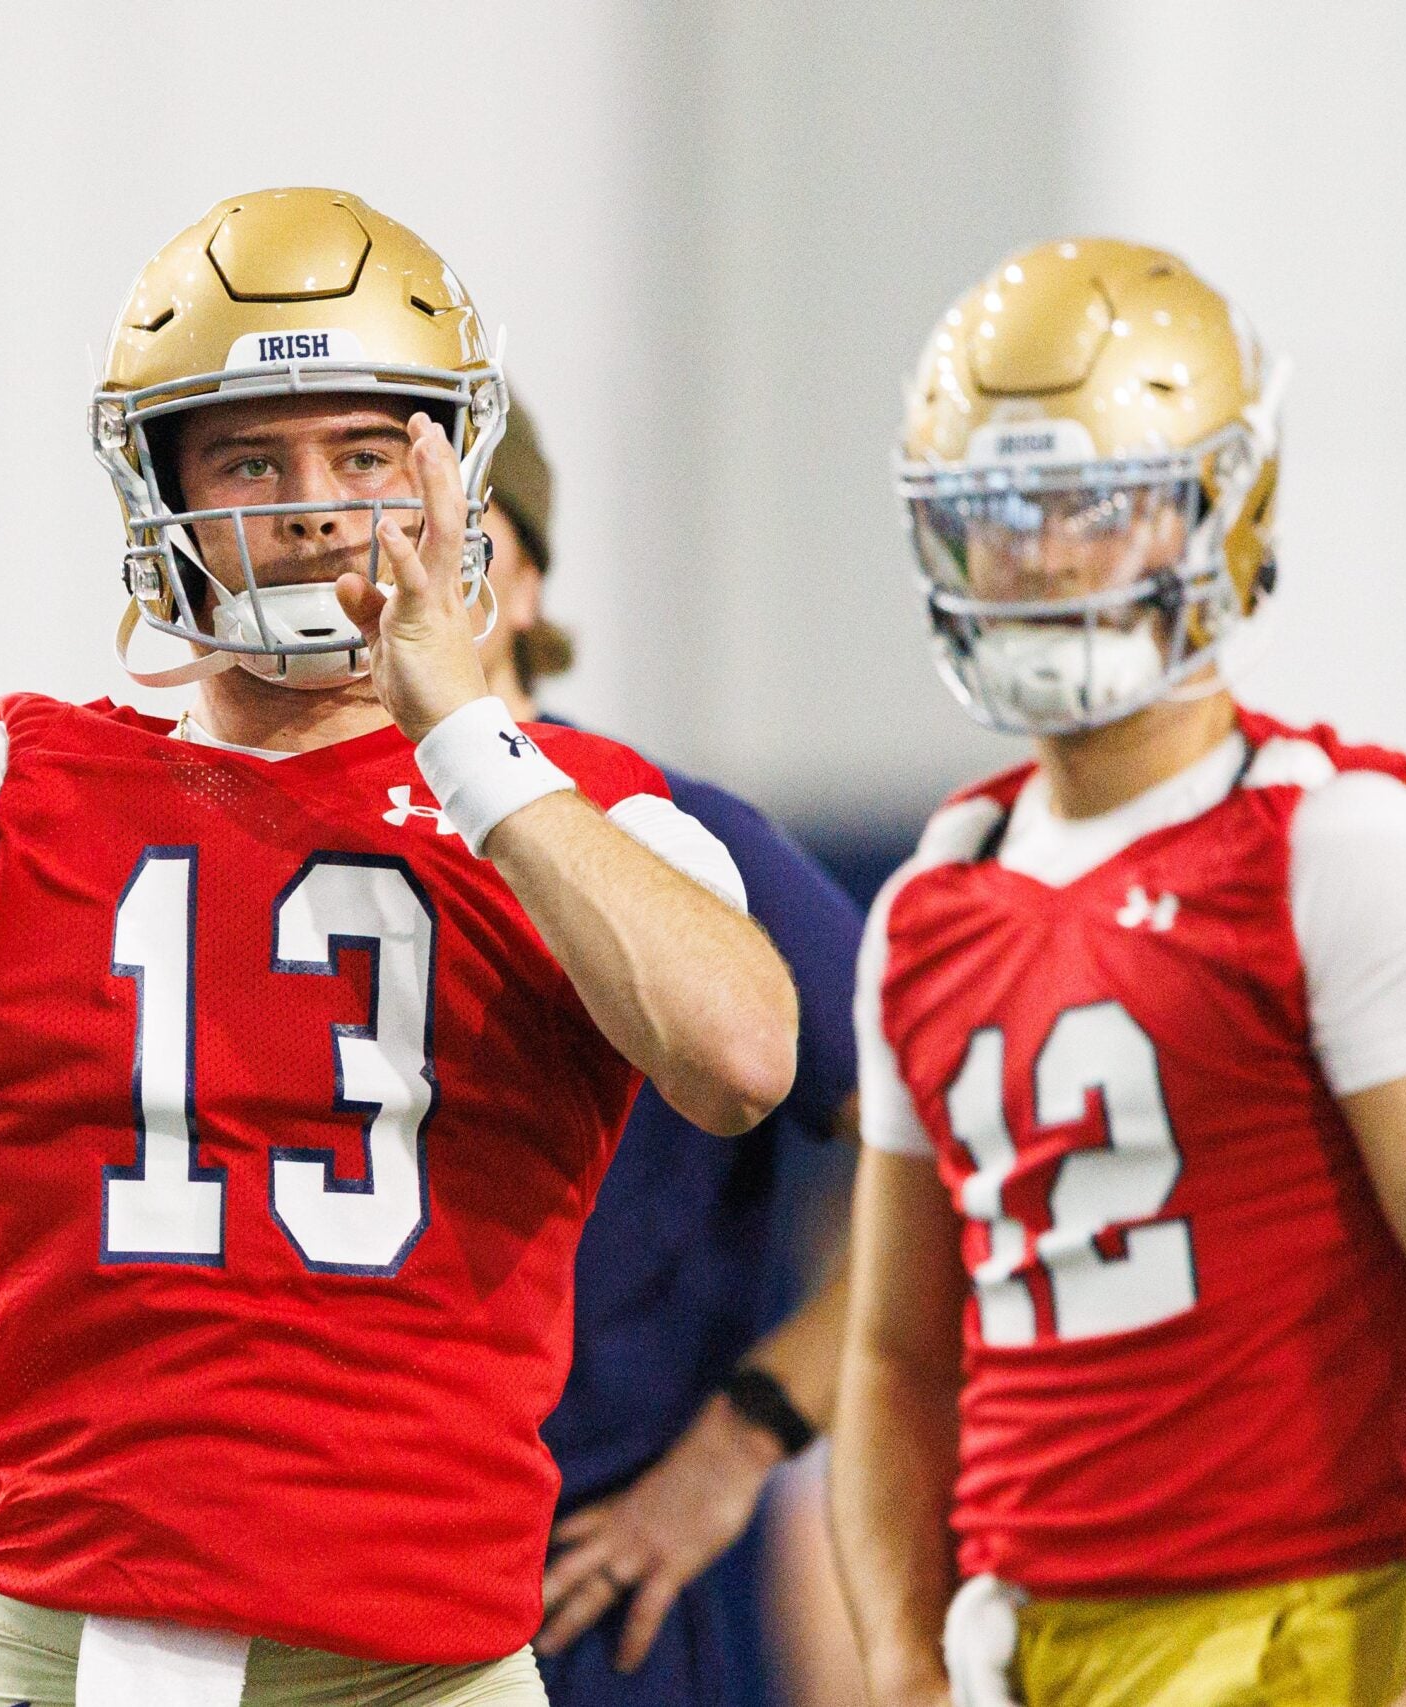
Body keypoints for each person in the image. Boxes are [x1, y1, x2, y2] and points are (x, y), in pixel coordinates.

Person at [0, 186, 802, 1707]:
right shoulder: (13, 793)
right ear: (156, 492)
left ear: (456, 474)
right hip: (44, 1643)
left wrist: (464, 734)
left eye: (365, 453)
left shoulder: (573, 816)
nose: (314, 508)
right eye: (251, 459)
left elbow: (740, 1056)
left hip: (417, 1668)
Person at [830, 238, 1406, 1707]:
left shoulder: (1336, 845)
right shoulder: (930, 900)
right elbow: (896, 1354)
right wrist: (903, 1662)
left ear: (1217, 514)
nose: (1041, 554)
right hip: (1021, 1638)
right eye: (996, 510)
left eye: (1095, 504)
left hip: (1298, 1625)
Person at [466, 408, 864, 1705]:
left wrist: (743, 1439)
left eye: (429, 518)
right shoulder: (262, 837)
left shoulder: (677, 835)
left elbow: (969, 1164)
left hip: (582, 1606)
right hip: (300, 1597)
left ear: (522, 576)